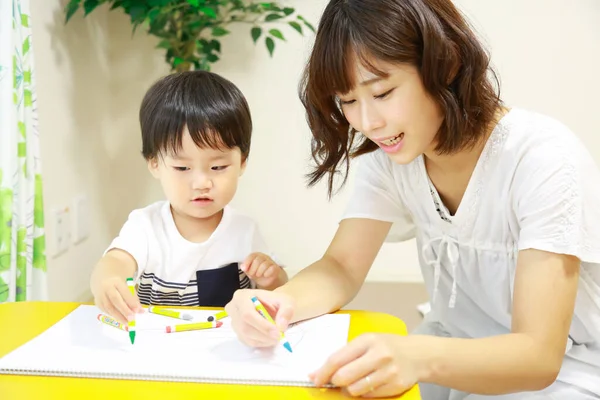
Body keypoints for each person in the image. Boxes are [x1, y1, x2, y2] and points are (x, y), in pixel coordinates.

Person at [224, 0, 600, 398]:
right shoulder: (392, 156)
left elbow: (538, 356)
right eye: (348, 101)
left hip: (563, 372)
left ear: (445, 64)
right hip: (451, 348)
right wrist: (276, 303)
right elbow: (341, 266)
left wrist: (415, 357)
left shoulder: (542, 158)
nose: (368, 123)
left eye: (382, 92)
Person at [90, 71, 287, 325]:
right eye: (182, 168)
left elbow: (277, 295)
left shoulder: (244, 231)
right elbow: (114, 262)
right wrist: (108, 282)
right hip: (159, 350)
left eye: (218, 168)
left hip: (225, 350)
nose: (202, 183)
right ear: (154, 164)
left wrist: (271, 279)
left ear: (242, 163)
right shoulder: (145, 226)